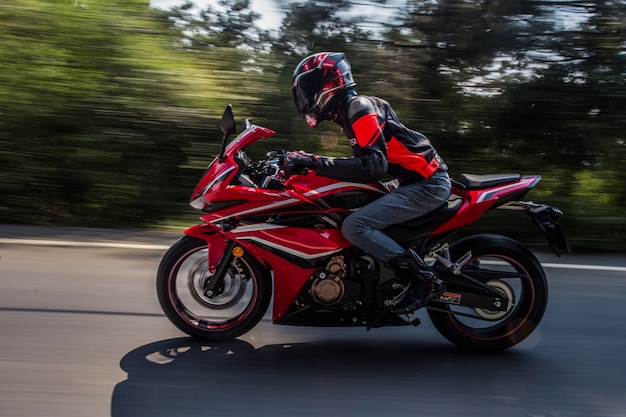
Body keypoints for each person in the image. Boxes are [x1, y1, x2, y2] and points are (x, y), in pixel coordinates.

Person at [286, 52, 451, 314]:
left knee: (355, 226)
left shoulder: (358, 108)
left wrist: (314, 161)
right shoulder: (355, 111)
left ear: (327, 82)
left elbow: (373, 167)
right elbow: (368, 166)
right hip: (412, 182)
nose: (305, 97)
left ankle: (422, 280)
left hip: (427, 185)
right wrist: (309, 165)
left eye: (308, 88)